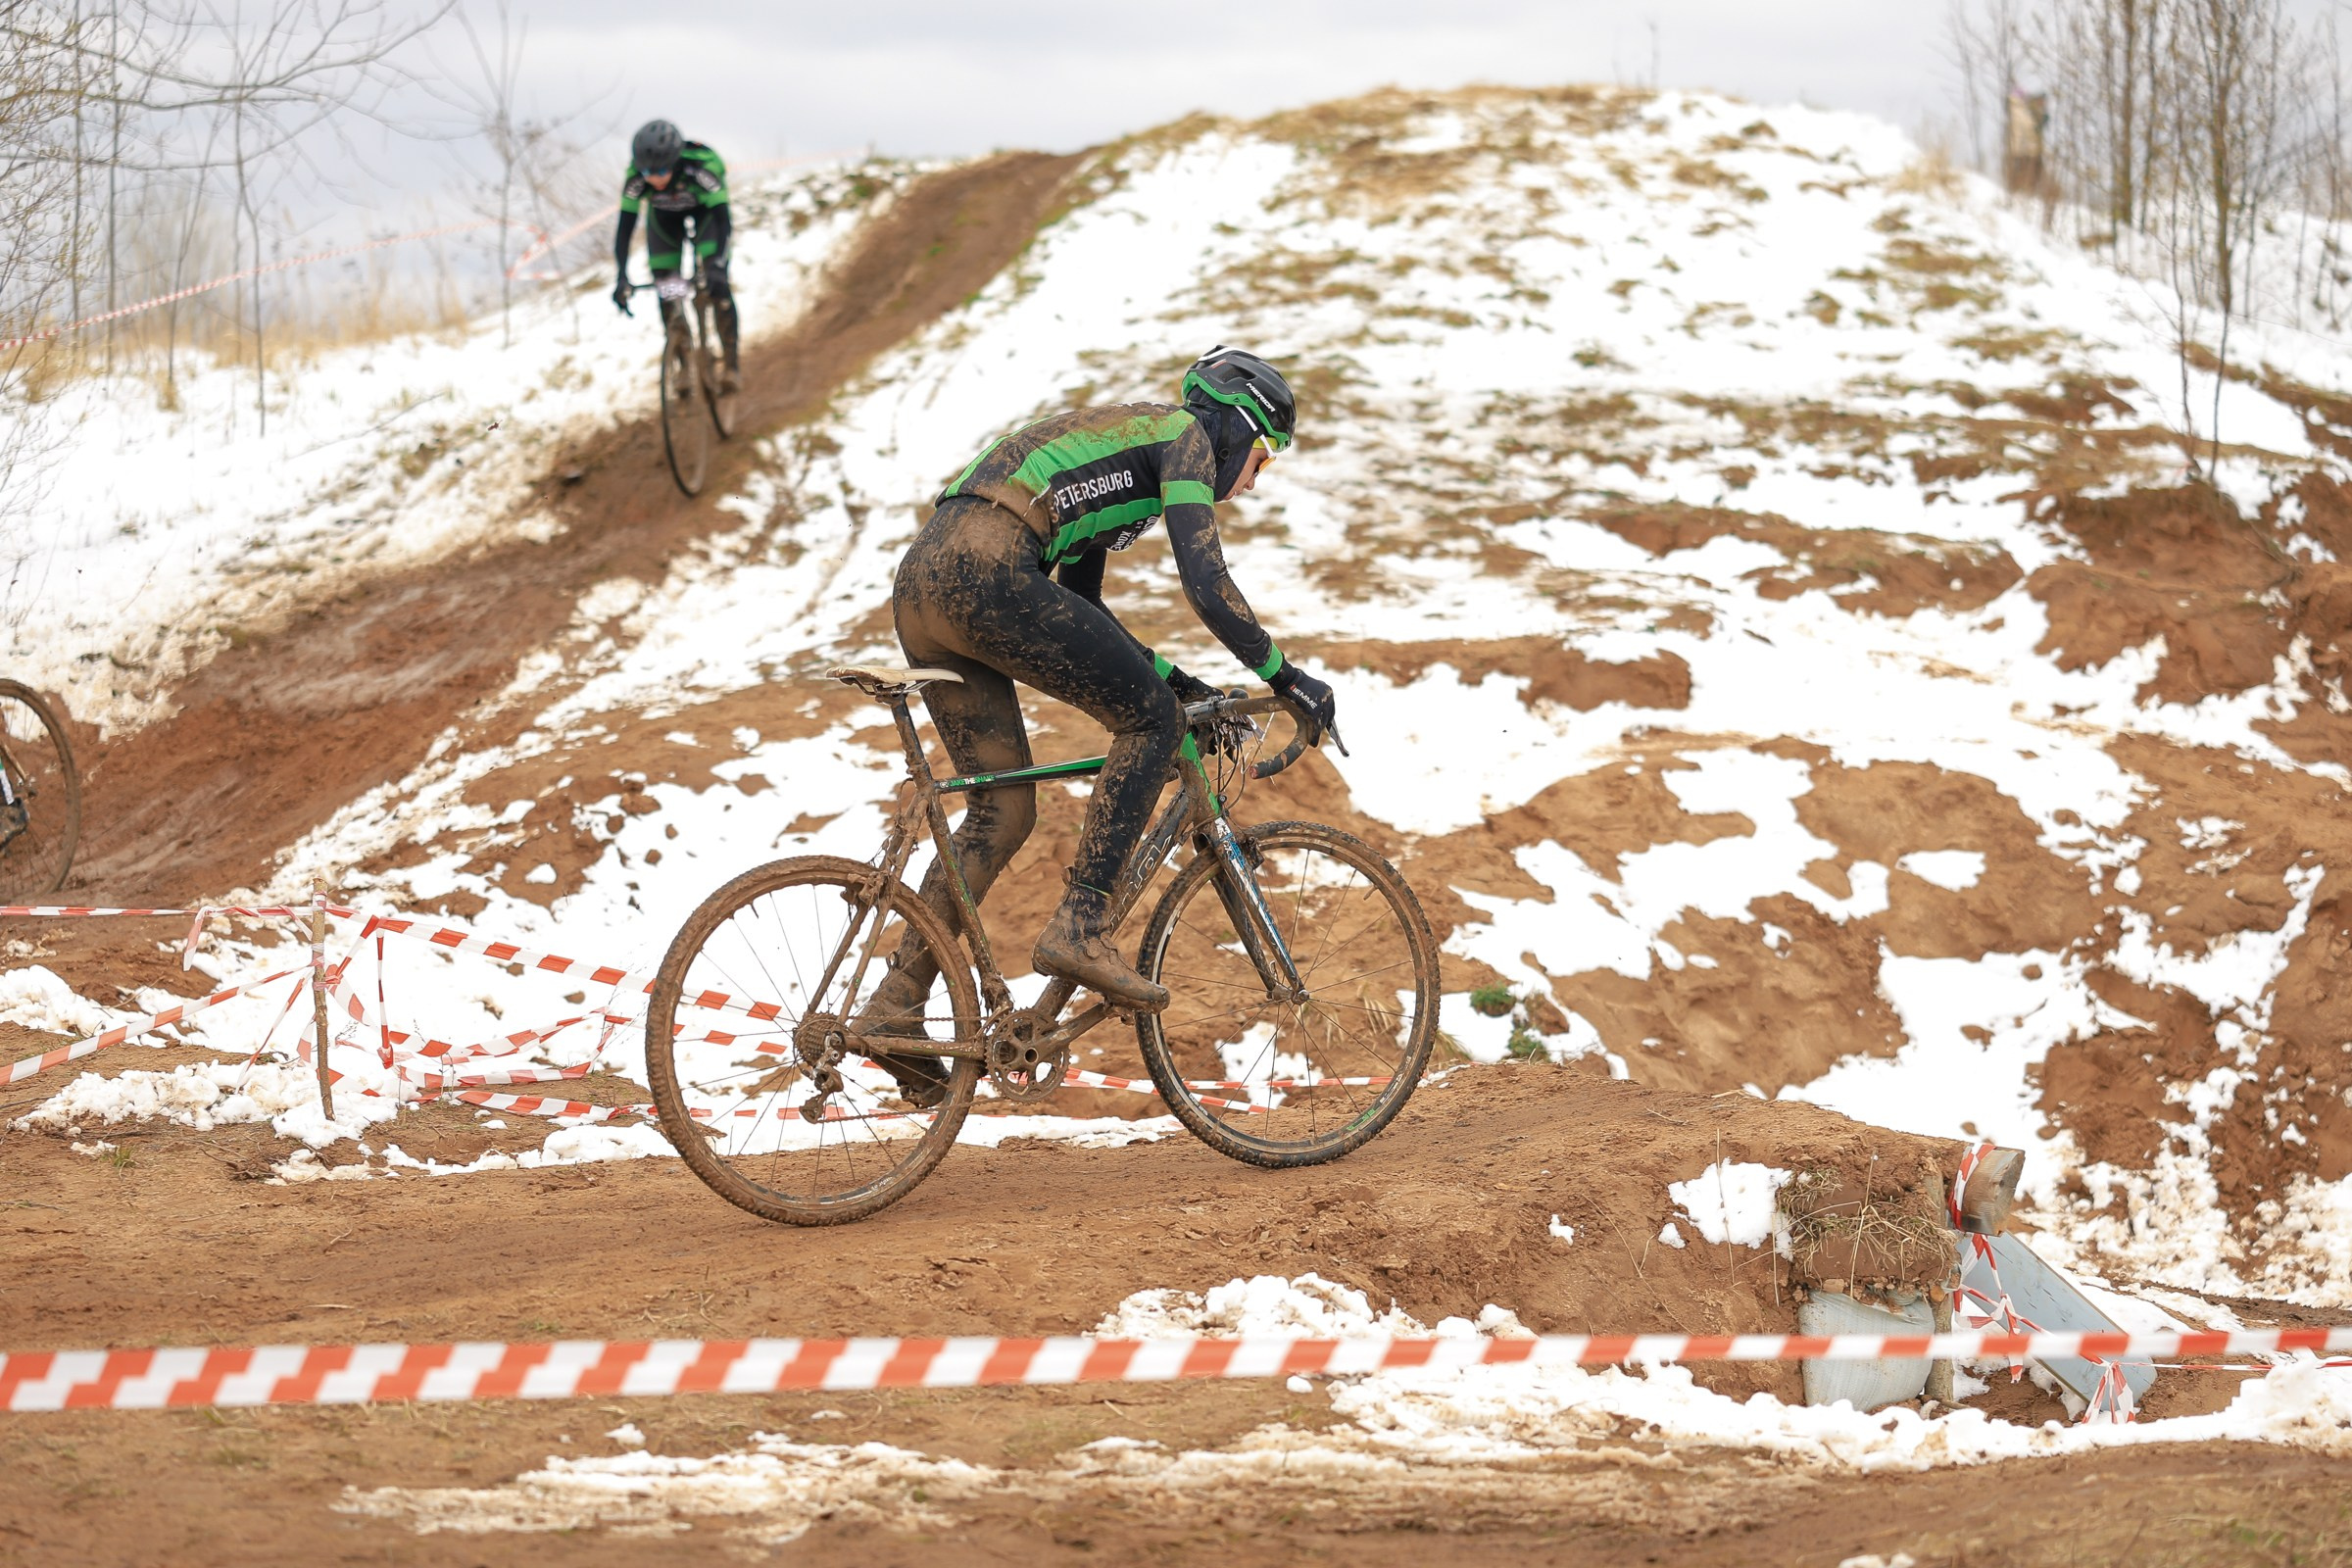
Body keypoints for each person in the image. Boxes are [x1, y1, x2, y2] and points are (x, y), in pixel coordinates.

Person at [864, 347, 1339, 1105]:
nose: (1251, 481)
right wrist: (1287, 677)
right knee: (1148, 724)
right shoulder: (1185, 437)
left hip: (928, 578)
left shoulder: (1125, 454)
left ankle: (896, 1000)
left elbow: (1084, 610)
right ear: (1235, 427)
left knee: (1004, 809)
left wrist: (1177, 679)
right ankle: (1081, 925)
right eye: (1261, 459)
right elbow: (1208, 585)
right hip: (987, 568)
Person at [611, 119, 740, 393]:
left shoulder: (702, 167)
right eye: (647, 171)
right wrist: (621, 275)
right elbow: (625, 228)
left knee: (717, 284)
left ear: (675, 160)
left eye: (661, 170)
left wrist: (718, 263)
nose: (654, 178)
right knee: (668, 288)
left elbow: (723, 221)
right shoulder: (636, 178)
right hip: (665, 222)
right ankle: (682, 364)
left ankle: (731, 364)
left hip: (706, 217)